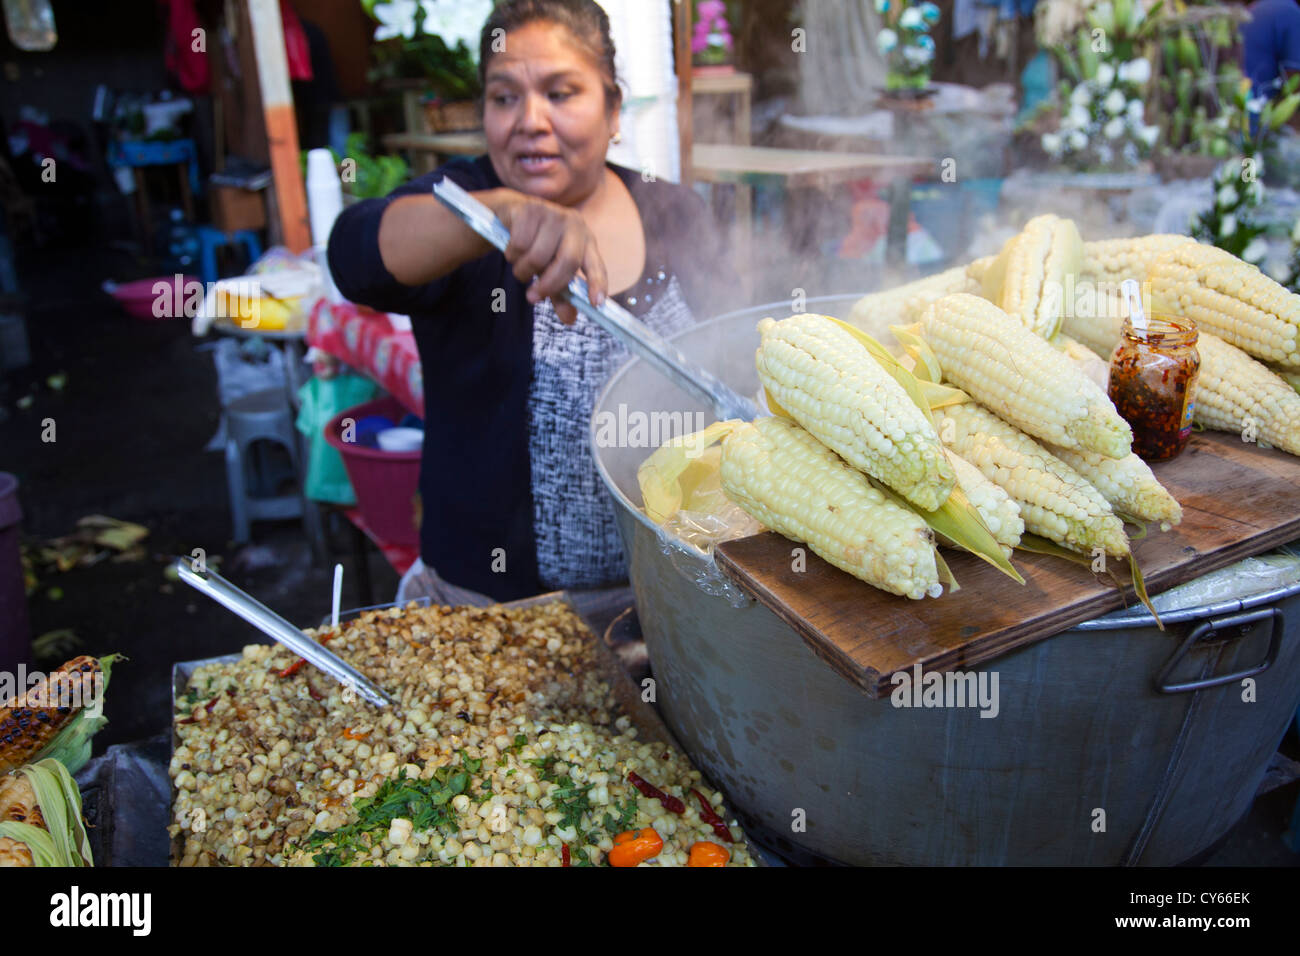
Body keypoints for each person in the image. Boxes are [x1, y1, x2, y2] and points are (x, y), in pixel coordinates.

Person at [328, 0, 734, 605]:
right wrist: (500, 216)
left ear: (614, 109)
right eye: (504, 97)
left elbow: (727, 359)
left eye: (561, 92)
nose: (530, 121)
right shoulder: (462, 206)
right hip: (499, 615)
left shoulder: (673, 210)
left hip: (670, 597)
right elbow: (355, 253)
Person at [1241, 0, 1300, 97]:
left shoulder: (1260, 6)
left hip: (1233, 104)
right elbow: (1295, 85)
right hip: (1257, 106)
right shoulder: (1288, 11)